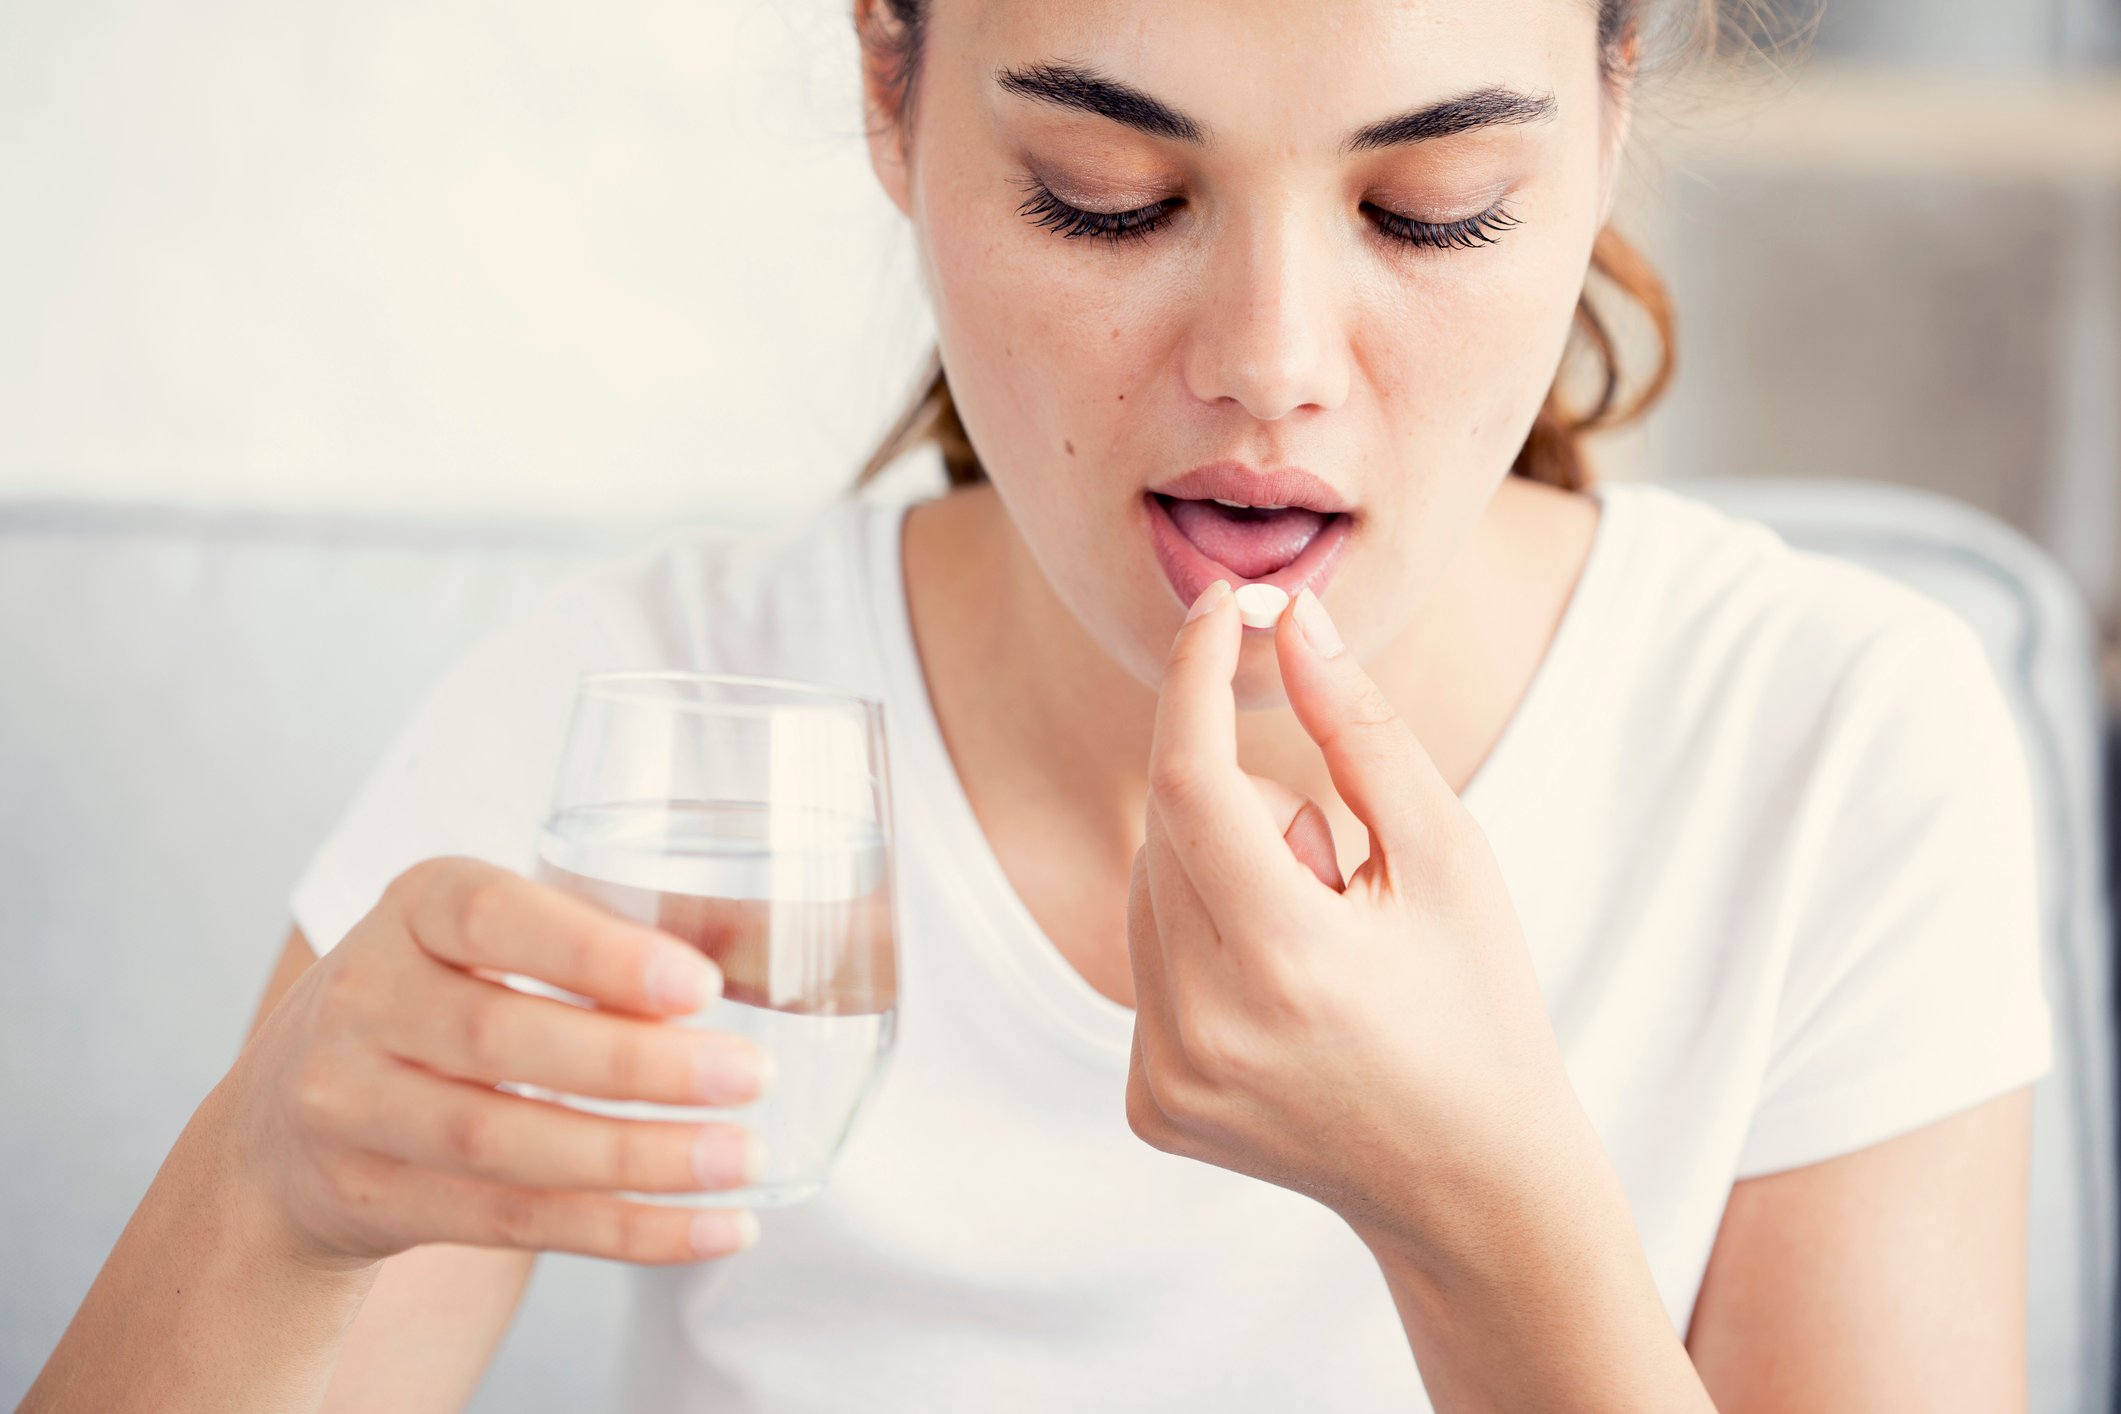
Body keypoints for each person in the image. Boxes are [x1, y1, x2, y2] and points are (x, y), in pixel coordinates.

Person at [23, 0, 2054, 1409]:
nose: (1268, 367)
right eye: (1105, 190)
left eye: (1423, 207)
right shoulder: (647, 732)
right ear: (890, 88)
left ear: (1607, 110)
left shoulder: (1830, 744)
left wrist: (1479, 1218)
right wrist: (269, 1189)